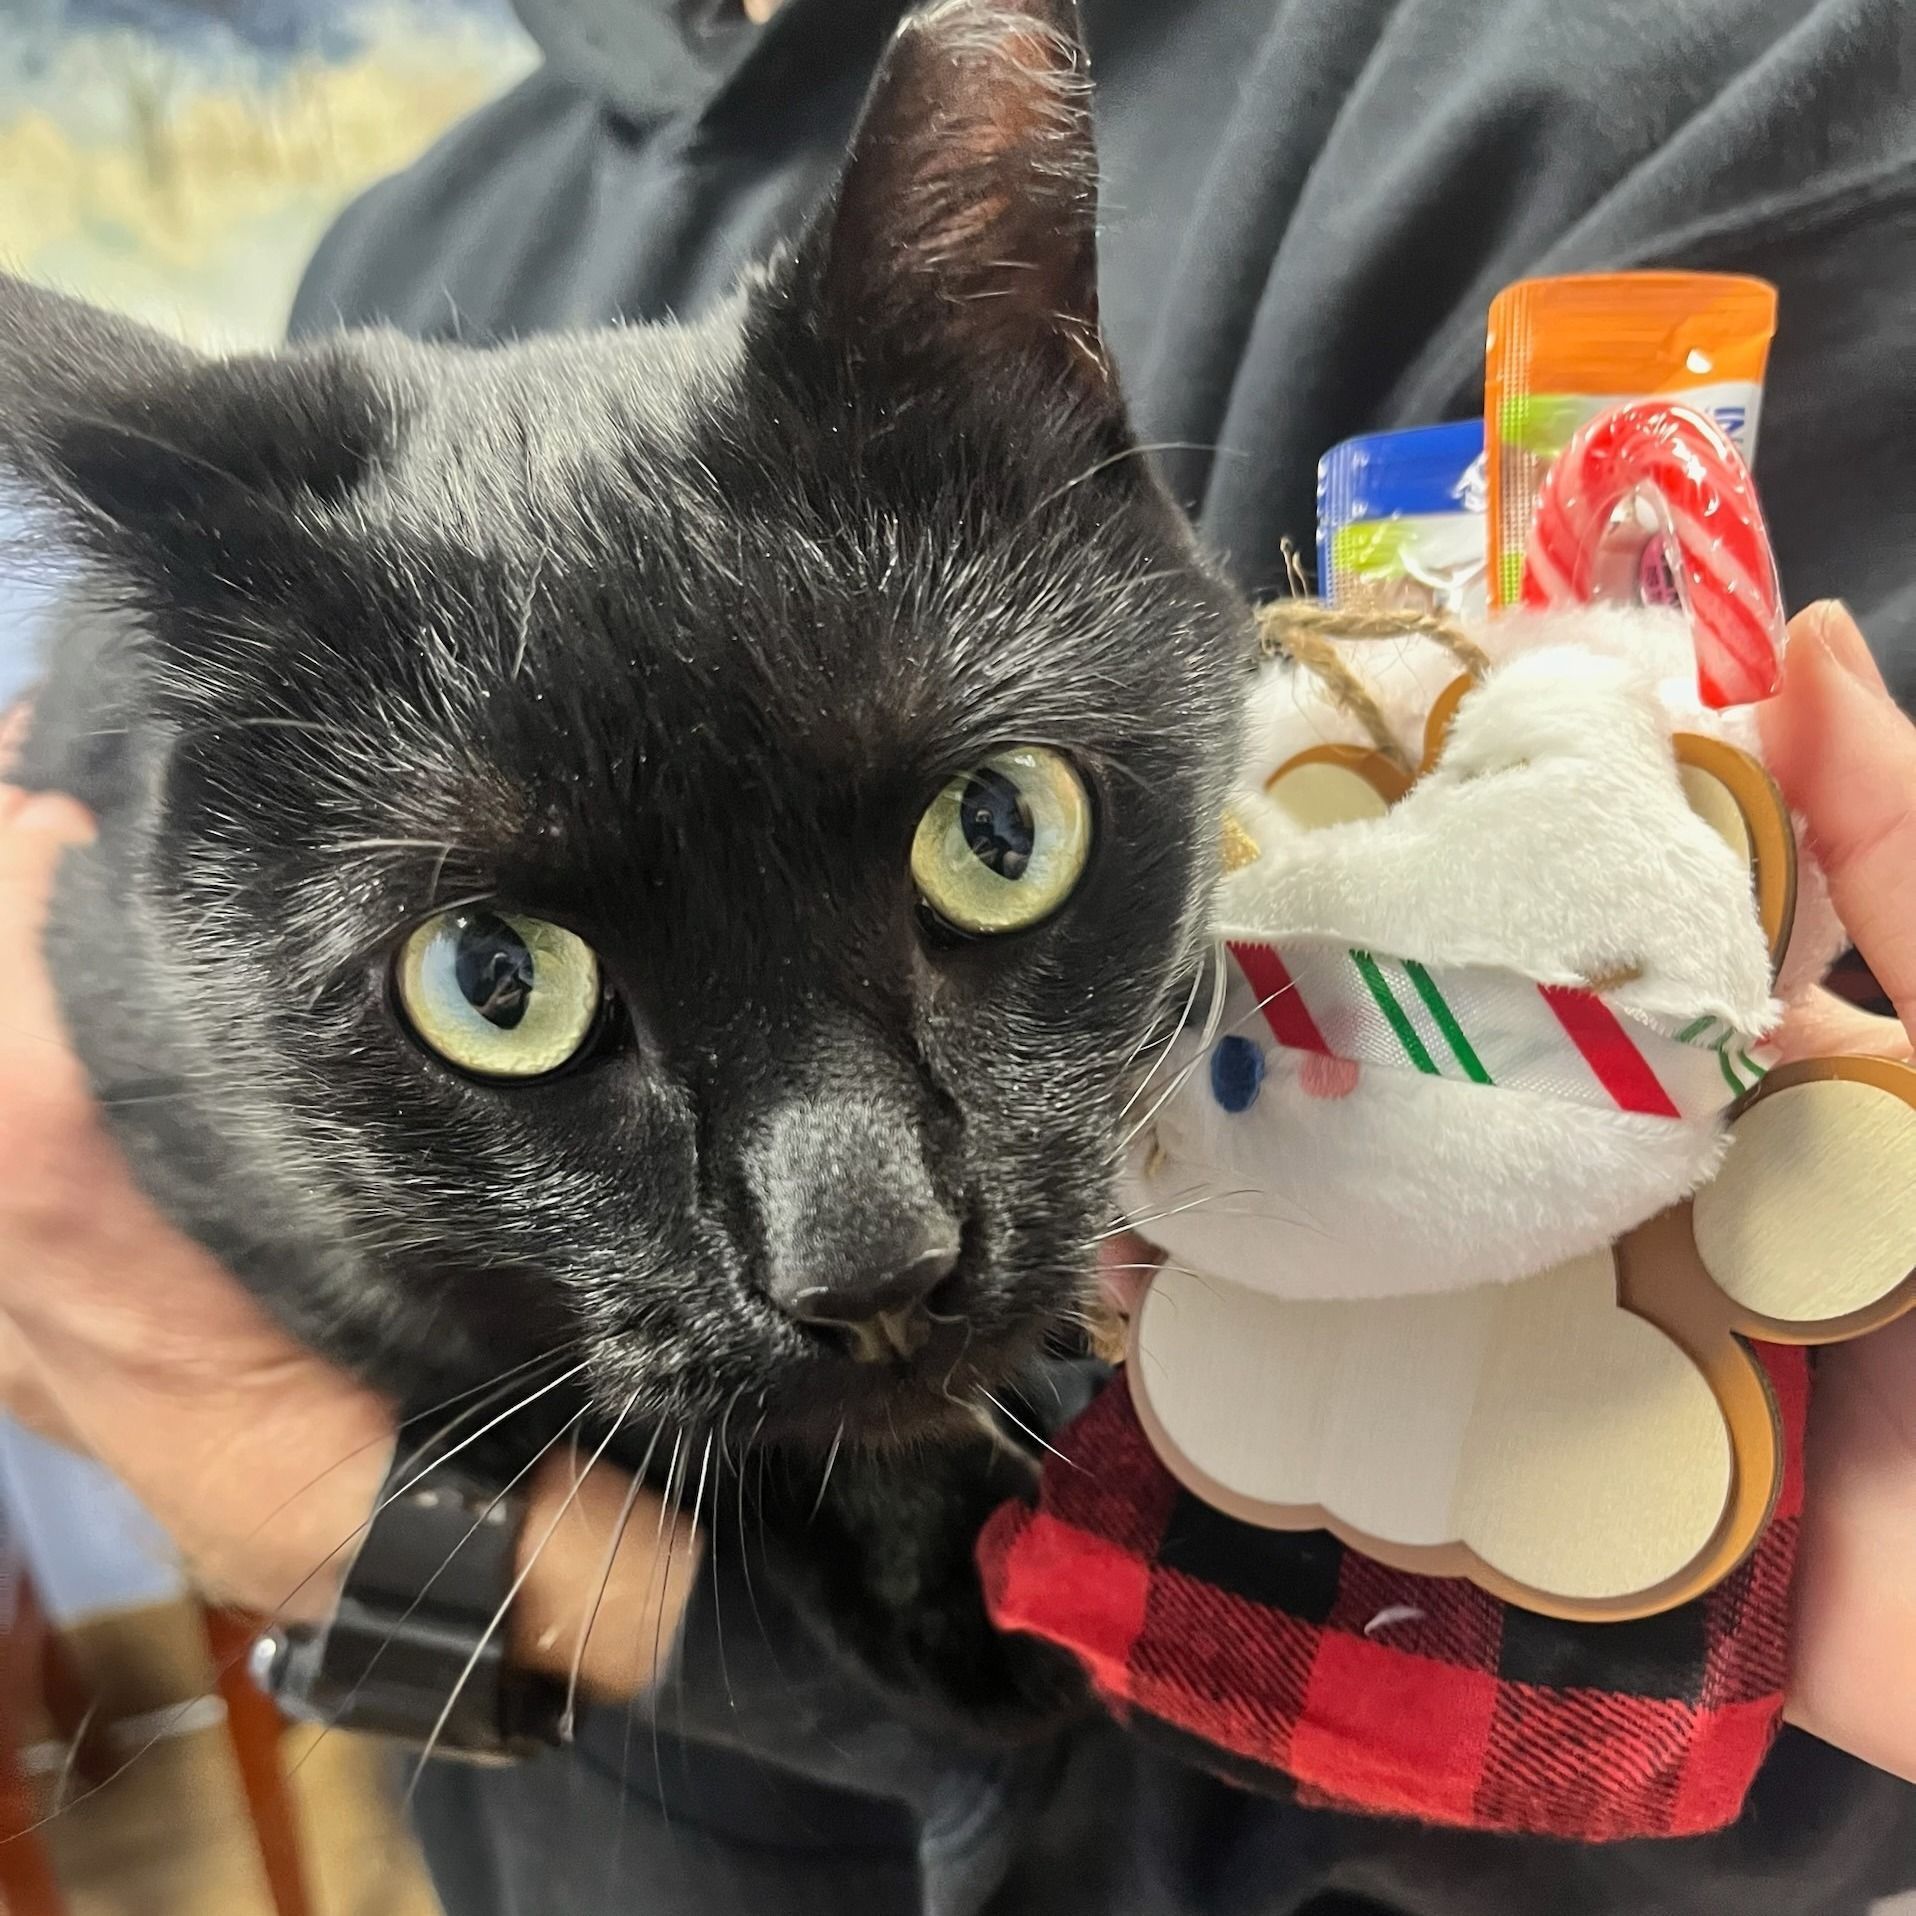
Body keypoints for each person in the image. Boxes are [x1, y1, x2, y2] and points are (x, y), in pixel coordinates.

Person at [3, 1, 1914, 1909]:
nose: (865, 1249)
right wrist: (402, 1602)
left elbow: (1724, 1774)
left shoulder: (1637, 71)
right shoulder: (400, 249)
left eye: (991, 845)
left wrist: (262, 1463)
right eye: (505, 990)